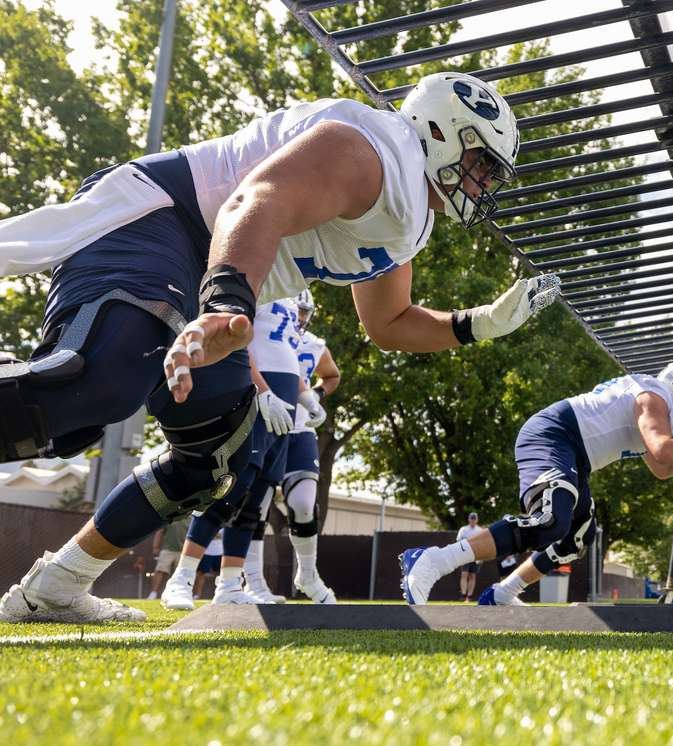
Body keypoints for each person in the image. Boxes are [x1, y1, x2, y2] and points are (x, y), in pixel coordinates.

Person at [0, 72, 561, 624]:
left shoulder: (408, 212)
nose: (485, 183)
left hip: (213, 273)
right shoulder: (371, 153)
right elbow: (255, 201)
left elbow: (388, 322)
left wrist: (479, 324)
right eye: (482, 163)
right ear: (441, 131)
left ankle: (58, 584)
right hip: (163, 221)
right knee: (100, 382)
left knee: (215, 458)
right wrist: (225, 305)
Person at [399, 364, 673, 606]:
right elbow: (662, 450)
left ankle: (502, 593)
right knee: (550, 521)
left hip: (576, 455)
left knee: (577, 537)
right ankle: (434, 561)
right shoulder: (654, 397)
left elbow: (661, 468)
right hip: (554, 435)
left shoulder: (655, 400)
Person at [160, 296, 305, 608]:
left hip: (286, 402)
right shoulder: (260, 282)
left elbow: (285, 352)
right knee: (232, 488)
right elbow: (234, 341)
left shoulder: (295, 297)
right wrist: (263, 390)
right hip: (259, 393)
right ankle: (181, 577)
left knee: (257, 499)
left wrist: (306, 396)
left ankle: (229, 583)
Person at [260, 288, 340, 604]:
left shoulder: (314, 344)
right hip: (267, 422)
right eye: (297, 310)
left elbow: (332, 375)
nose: (300, 317)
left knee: (305, 504)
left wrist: (314, 397)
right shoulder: (265, 332)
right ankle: (248, 580)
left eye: (304, 311)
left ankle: (307, 574)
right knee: (256, 506)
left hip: (301, 430)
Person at [147, 516, 190, 599]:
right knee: (160, 570)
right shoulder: (170, 516)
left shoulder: (192, 519)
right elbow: (160, 532)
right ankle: (153, 593)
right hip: (167, 549)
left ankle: (176, 595)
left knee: (179, 574)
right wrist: (155, 547)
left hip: (183, 552)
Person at [456, 513, 484, 602]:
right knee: (464, 574)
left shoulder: (480, 530)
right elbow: (458, 542)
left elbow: (483, 544)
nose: (473, 520)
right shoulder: (463, 529)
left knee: (472, 575)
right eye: (471, 518)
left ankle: (469, 596)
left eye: (474, 519)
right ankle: (463, 595)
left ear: (477, 520)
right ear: (469, 519)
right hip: (465, 555)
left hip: (476, 556)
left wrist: (481, 556)